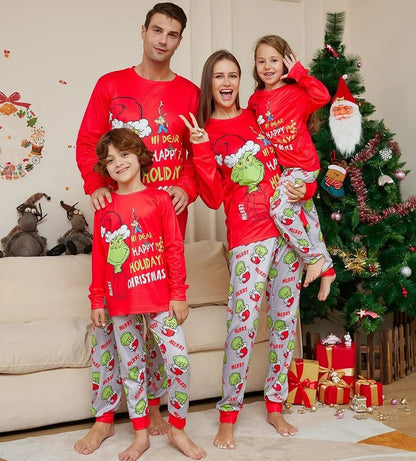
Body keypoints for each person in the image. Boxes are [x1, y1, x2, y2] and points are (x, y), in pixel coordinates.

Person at [74, 2, 199, 455]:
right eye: (157, 31)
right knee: (113, 326)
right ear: (144, 31)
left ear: (179, 41)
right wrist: (94, 183)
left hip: (164, 221)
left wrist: (188, 186)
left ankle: (156, 409)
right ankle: (105, 418)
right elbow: (89, 141)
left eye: (172, 34)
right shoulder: (111, 84)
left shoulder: (189, 93)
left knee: (158, 322)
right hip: (119, 220)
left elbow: (196, 150)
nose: (163, 40)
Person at [180, 50, 314, 450]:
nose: (227, 82)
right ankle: (228, 414)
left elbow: (292, 156)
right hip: (248, 234)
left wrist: (305, 188)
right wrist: (202, 149)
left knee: (284, 321)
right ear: (210, 82)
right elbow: (214, 197)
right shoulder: (203, 130)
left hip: (288, 230)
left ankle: (275, 406)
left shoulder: (259, 114)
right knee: (242, 324)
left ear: (241, 80)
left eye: (234, 75)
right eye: (219, 75)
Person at [88, 127, 206, 460]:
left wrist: (178, 293)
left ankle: (178, 430)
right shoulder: (104, 206)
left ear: (140, 157)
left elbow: (173, 247)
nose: (118, 163)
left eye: (124, 154)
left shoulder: (160, 199)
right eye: (110, 160)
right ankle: (141, 436)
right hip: (121, 302)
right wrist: (97, 299)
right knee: (132, 371)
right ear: (105, 168)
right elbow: (100, 257)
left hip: (160, 301)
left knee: (179, 363)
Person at [248, 35, 336, 301]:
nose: (267, 66)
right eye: (261, 61)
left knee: (279, 207)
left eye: (274, 60)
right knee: (308, 218)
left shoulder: (296, 92)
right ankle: (328, 269)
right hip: (286, 171)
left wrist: (300, 74)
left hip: (304, 165)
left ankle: (312, 258)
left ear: (285, 62)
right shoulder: (255, 100)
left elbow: (323, 96)